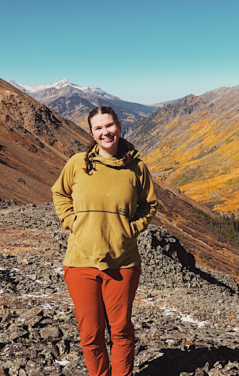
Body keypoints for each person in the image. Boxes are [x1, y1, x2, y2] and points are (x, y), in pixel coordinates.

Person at [51, 106, 158, 376]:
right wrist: (70, 221)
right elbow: (59, 193)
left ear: (119, 127)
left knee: (121, 330)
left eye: (109, 126)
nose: (105, 132)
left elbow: (149, 205)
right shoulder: (77, 163)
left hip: (122, 263)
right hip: (80, 263)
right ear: (91, 132)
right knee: (90, 332)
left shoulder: (136, 168)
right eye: (98, 128)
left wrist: (130, 229)